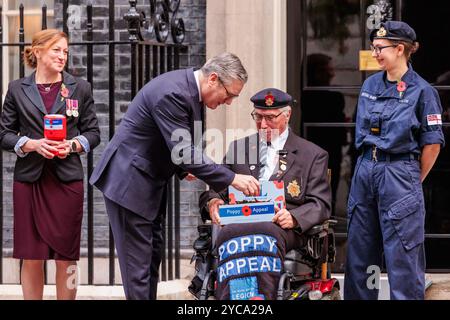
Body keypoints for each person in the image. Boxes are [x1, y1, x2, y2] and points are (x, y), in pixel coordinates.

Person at [89, 52, 260, 300]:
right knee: (138, 268)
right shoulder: (174, 93)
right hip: (129, 184)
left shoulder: (191, 91)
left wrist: (183, 168)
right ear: (213, 78)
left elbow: (176, 143)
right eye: (230, 94)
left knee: (150, 259)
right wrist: (233, 179)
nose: (230, 102)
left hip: (148, 183)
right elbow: (185, 151)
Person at [198, 88, 331, 300]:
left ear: (287, 115)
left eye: (270, 118)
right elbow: (215, 189)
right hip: (238, 222)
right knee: (227, 233)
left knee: (264, 231)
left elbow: (320, 204)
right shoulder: (238, 148)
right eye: (258, 117)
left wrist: (295, 217)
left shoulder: (311, 154)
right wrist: (213, 202)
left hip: (283, 226)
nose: (263, 124)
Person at [344, 21, 445, 300]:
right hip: (366, 169)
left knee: (403, 256)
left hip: (399, 172)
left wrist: (411, 178)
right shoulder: (370, 84)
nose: (374, 53)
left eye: (380, 48)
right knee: (360, 253)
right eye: (373, 48)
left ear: (400, 49)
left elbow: (433, 144)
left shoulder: (423, 91)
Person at [0, 29, 100, 300]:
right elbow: (4, 134)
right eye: (56, 50)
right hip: (29, 180)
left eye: (65, 51)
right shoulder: (17, 89)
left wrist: (72, 145)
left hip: (66, 180)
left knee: (67, 256)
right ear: (38, 51)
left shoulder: (80, 88)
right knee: (31, 256)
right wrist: (32, 144)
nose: (62, 56)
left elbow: (93, 133)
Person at [301, 53, 347, 214]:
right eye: (327, 70)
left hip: (330, 151)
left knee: (328, 190)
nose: (332, 74)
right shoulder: (333, 98)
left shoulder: (334, 98)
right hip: (317, 150)